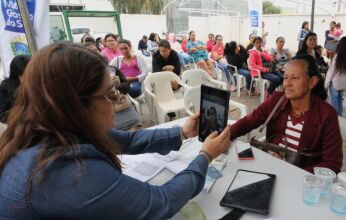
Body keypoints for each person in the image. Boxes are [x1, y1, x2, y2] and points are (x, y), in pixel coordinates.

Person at [0, 43, 232, 219]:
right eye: (109, 94)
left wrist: (182, 132)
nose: (118, 100)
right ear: (77, 105)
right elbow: (161, 202)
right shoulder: (62, 172)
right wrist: (205, 156)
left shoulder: (50, 130)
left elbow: (128, 140)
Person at [230, 54, 342, 174]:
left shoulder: (327, 114)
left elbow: (332, 164)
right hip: (269, 170)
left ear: (312, 82)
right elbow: (247, 122)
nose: (287, 83)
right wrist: (223, 136)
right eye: (285, 77)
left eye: (294, 77)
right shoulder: (277, 100)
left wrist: (290, 172)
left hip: (300, 181)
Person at [84, 42, 142, 131]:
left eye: (96, 51)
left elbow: (126, 86)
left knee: (135, 125)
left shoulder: (112, 69)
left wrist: (114, 90)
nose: (95, 54)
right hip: (104, 112)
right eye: (90, 52)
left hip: (122, 106)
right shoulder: (84, 76)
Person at [325, 37, 346, 116]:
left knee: (334, 102)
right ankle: (340, 117)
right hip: (343, 84)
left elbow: (331, 72)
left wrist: (326, 84)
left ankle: (335, 119)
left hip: (334, 83)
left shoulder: (337, 57)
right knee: (340, 101)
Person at [0, 55, 31, 123]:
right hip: (20, 126)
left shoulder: (35, 83)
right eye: (23, 75)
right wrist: (21, 116)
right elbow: (2, 114)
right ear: (16, 75)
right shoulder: (5, 87)